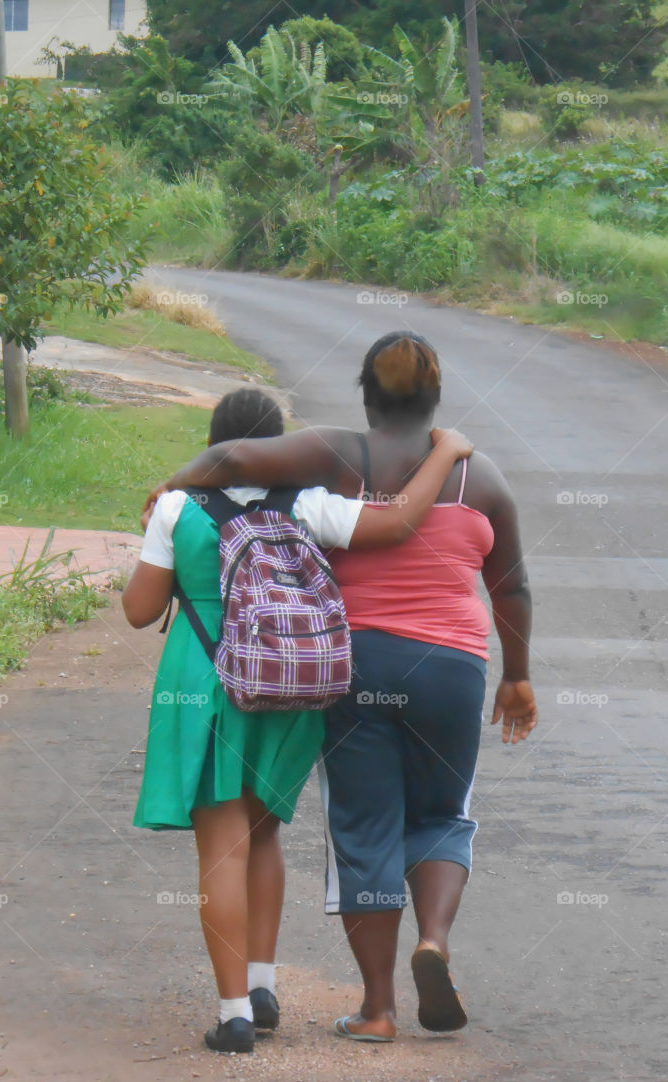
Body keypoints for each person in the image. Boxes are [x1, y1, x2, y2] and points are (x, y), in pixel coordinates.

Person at [146, 334, 537, 1043]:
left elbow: (233, 459)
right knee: (442, 817)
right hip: (451, 668)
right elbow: (512, 587)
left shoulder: (339, 455)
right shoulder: (482, 479)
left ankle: (378, 1009)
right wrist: (515, 674)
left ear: (366, 394)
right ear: (436, 396)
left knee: (363, 828)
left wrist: (175, 483)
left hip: (357, 667)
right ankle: (434, 940)